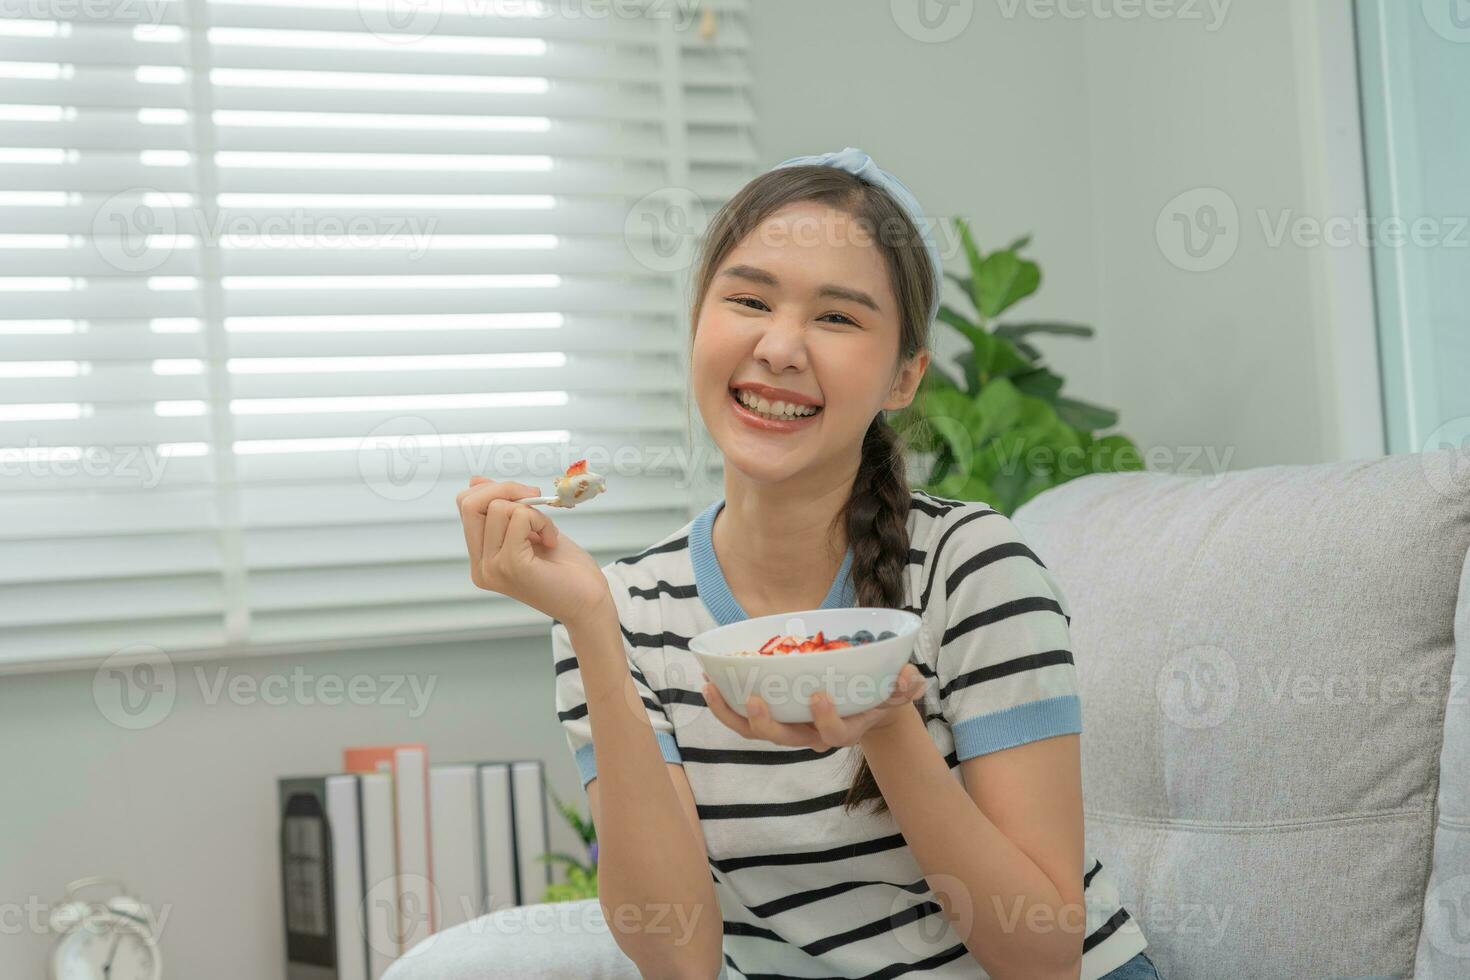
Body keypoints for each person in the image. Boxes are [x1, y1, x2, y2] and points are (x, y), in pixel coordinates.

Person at [449, 147, 1162, 979]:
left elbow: (1043, 958)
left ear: (904, 377)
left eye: (837, 317)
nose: (780, 347)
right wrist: (590, 626)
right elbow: (678, 957)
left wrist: (885, 724)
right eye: (748, 299)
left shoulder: (974, 570)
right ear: (697, 327)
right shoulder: (620, 608)